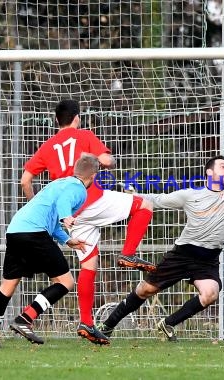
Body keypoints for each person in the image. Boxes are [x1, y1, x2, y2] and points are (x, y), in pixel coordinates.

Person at [97, 127, 224, 341]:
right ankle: (108, 325)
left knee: (210, 293)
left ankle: (168, 324)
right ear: (209, 172)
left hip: (208, 259)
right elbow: (158, 200)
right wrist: (133, 197)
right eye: (222, 167)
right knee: (146, 290)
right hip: (183, 254)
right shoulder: (190, 195)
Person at [21, 99, 155, 345]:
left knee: (89, 263)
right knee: (144, 205)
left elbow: (26, 179)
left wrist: (36, 206)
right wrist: (96, 156)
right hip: (89, 199)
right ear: (76, 118)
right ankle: (129, 253)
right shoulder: (84, 135)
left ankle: (86, 323)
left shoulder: (48, 145)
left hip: (70, 212)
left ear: (56, 121)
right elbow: (106, 161)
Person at [0, 154, 100, 349]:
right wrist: (66, 217)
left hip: (15, 231)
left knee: (8, 286)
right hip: (34, 234)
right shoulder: (78, 189)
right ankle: (25, 318)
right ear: (93, 176)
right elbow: (64, 203)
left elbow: (51, 223)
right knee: (65, 282)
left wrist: (68, 240)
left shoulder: (59, 183)